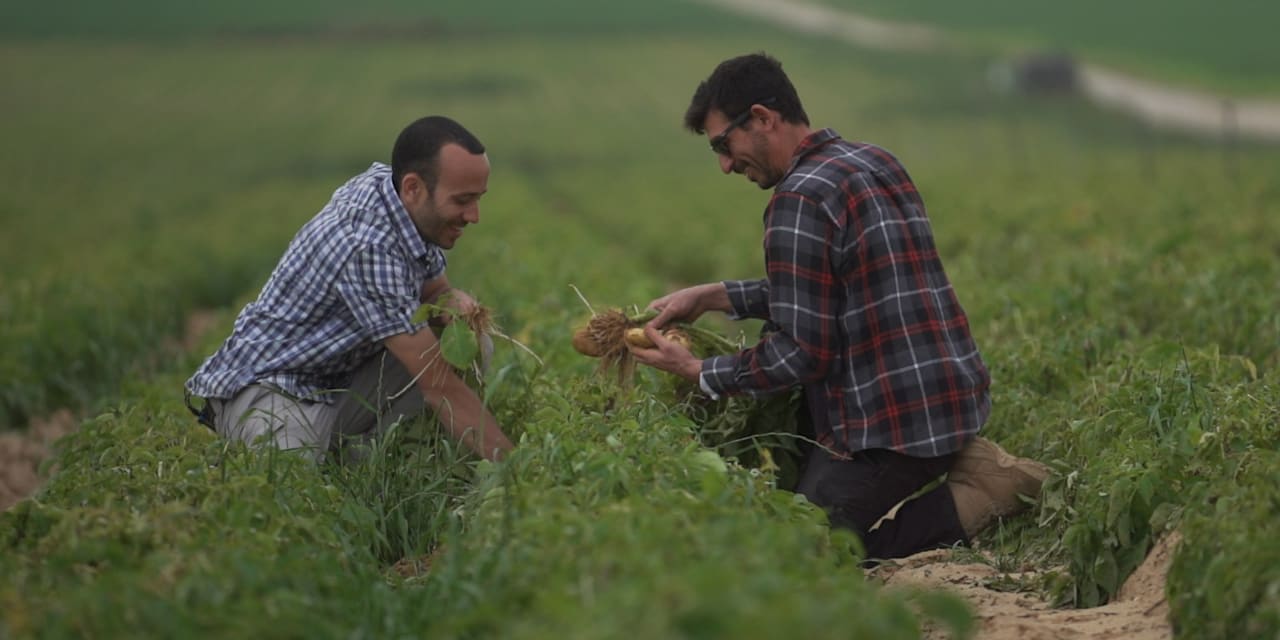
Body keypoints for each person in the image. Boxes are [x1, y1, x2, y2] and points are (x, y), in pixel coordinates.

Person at [628, 53, 1047, 560]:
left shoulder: (798, 200)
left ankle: (977, 494)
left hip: (889, 428)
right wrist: (712, 295)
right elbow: (835, 287)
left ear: (763, 118)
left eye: (724, 144)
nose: (724, 164)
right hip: (949, 398)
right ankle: (961, 458)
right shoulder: (874, 160)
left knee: (805, 550)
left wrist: (701, 371)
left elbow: (804, 352)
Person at [185, 116, 513, 463]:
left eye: (478, 198)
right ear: (414, 188)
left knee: (468, 342)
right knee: (292, 480)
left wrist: (452, 300)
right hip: (271, 386)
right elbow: (437, 384)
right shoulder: (366, 246)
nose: (474, 215)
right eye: (462, 200)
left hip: (336, 378)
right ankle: (347, 462)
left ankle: (363, 462)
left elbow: (434, 291)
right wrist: (518, 472)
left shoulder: (400, 199)